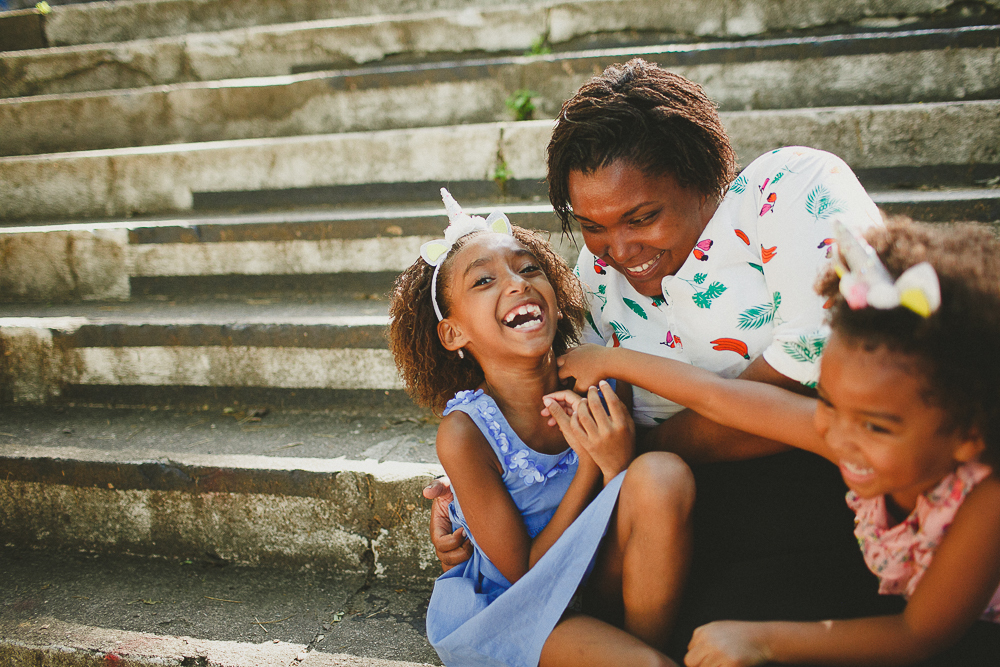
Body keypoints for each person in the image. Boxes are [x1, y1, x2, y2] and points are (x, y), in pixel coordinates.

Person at [427, 58, 896, 657]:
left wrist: (645, 444)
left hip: (826, 501)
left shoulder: (787, 191)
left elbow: (819, 388)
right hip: (670, 532)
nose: (621, 250)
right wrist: (469, 494)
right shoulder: (595, 277)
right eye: (592, 225)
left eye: (642, 218)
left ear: (704, 178)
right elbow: (549, 403)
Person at [548, 218, 1000, 665]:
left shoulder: (985, 502)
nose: (836, 434)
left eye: (875, 426)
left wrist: (761, 640)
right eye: (827, 402)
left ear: (969, 435)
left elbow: (917, 634)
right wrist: (610, 360)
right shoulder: (855, 440)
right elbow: (722, 397)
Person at [388, 189, 694, 667]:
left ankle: (638, 644)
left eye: (529, 268)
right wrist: (593, 465)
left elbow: (633, 507)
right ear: (454, 333)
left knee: (662, 472)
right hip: (523, 607)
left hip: (602, 577)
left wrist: (618, 465)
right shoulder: (467, 433)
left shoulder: (601, 382)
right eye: (484, 280)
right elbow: (526, 576)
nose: (517, 284)